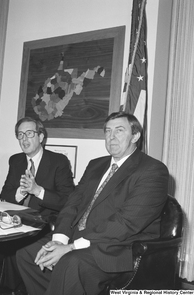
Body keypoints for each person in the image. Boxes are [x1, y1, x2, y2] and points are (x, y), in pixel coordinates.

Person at [16, 112, 169, 295]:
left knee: (70, 262)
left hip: (117, 246)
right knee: (26, 253)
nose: (111, 137)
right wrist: (59, 240)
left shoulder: (152, 170)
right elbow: (72, 205)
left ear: (135, 136)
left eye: (119, 131)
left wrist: (70, 247)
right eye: (107, 131)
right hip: (80, 238)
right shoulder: (96, 165)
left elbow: (125, 224)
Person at [0, 117, 75, 295]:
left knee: (15, 246)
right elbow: (5, 194)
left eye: (29, 134)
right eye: (20, 135)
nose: (24, 139)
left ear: (41, 137)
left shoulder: (58, 161)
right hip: (16, 218)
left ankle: (9, 288)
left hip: (45, 222)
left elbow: (68, 200)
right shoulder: (16, 160)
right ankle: (2, 283)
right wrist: (20, 192)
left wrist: (38, 191)